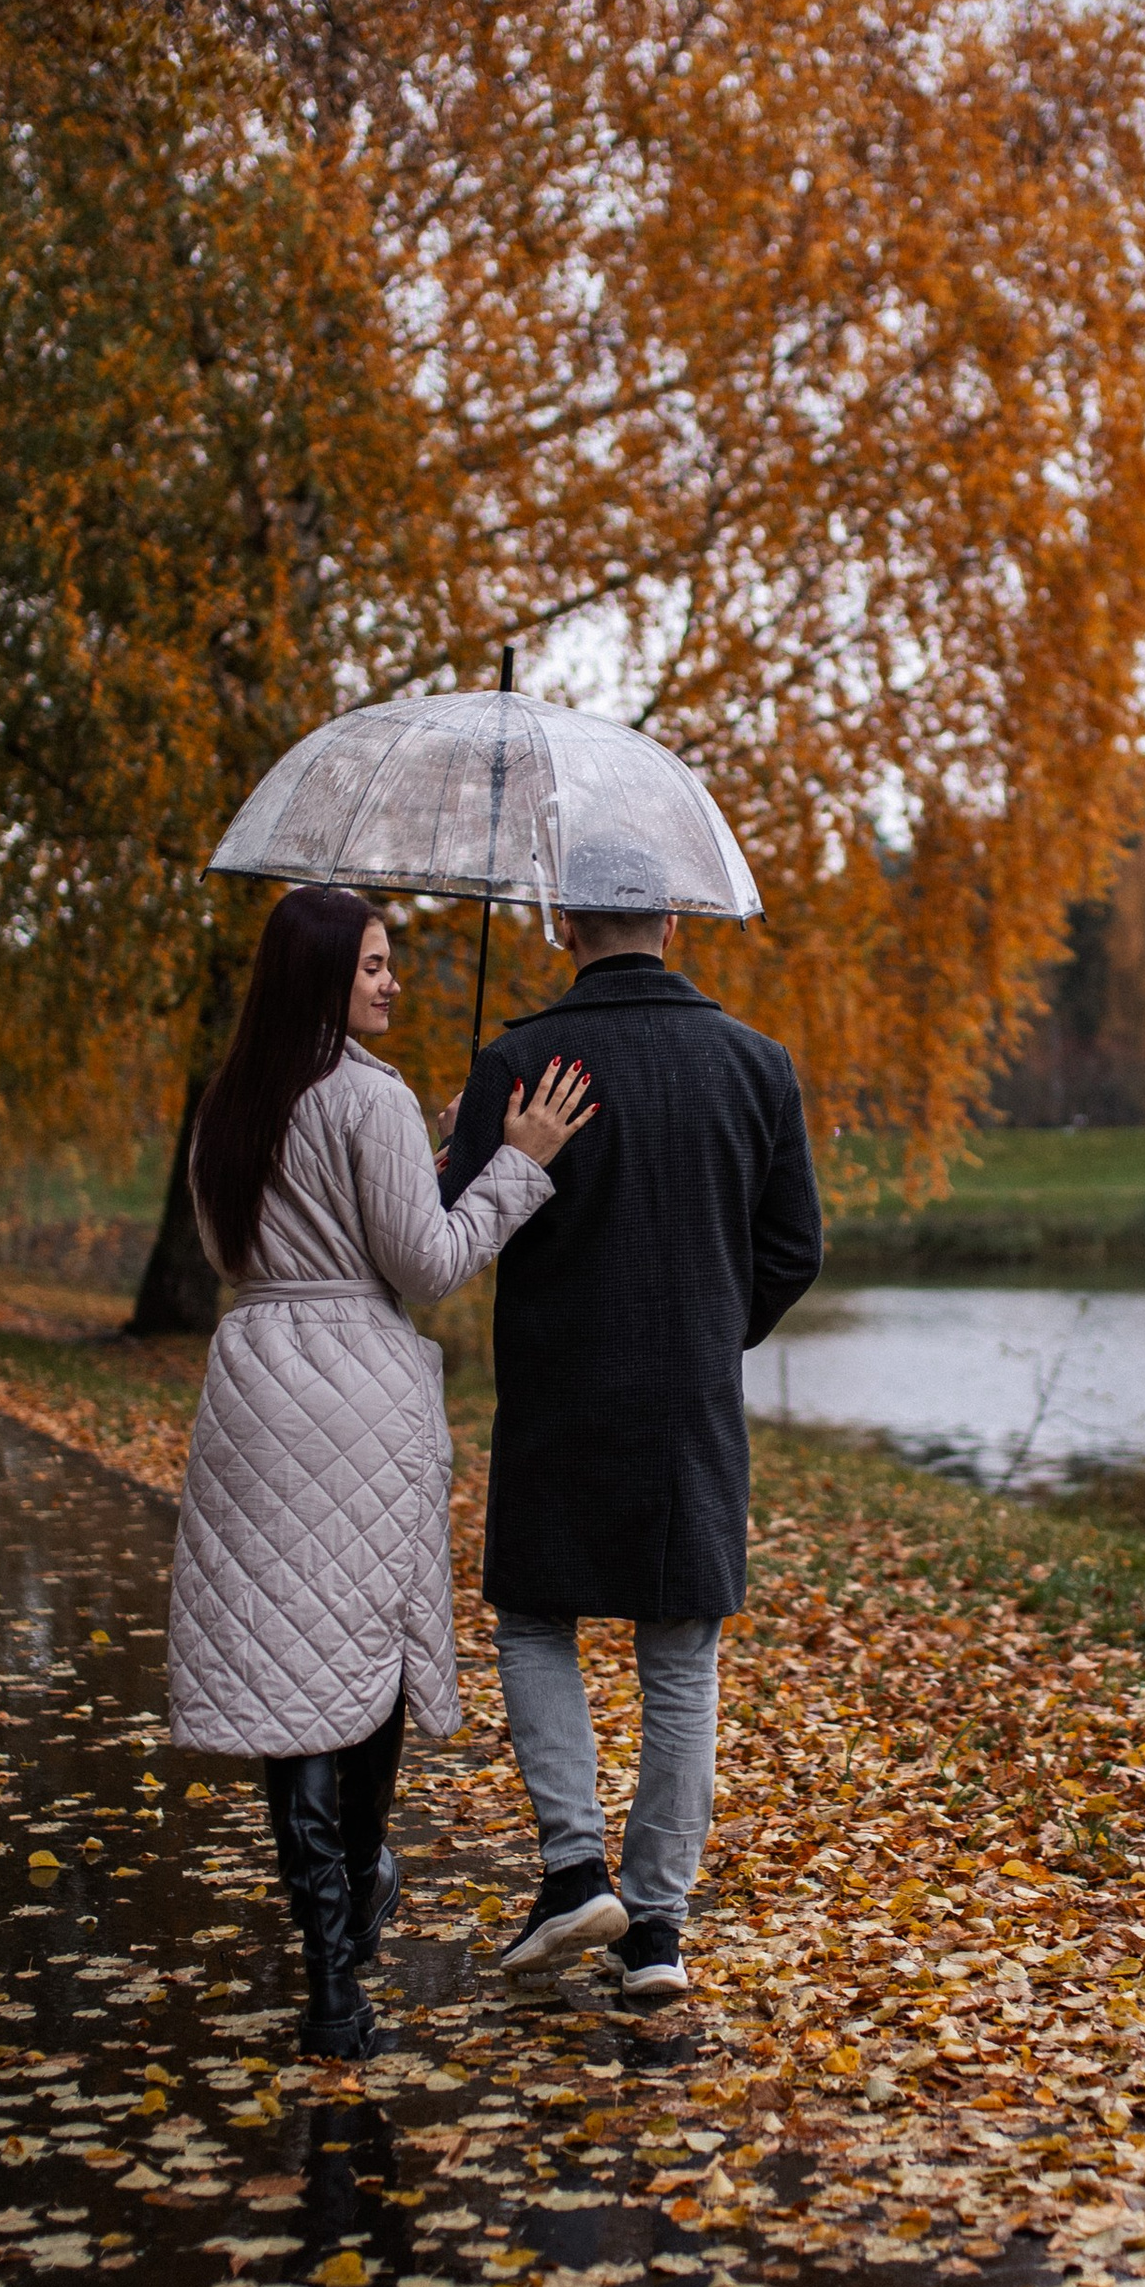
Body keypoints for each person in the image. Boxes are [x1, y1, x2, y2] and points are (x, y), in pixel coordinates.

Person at [167, 885, 595, 2057]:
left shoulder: (230, 1099)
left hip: (254, 1387)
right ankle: (356, 1900)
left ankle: (329, 1976)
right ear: (321, 979)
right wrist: (512, 1163)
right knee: (359, 1664)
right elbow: (426, 1262)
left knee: (287, 1679)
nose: (391, 982)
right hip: (354, 1397)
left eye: (389, 962)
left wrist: (433, 1152)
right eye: (370, 966)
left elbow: (233, 1247)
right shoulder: (369, 1095)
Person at [440, 854, 823, 2005]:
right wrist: (712, 1333)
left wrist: (470, 1133)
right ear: (671, 915)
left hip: (559, 1392)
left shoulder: (520, 1062)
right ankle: (655, 1929)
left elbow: (457, 1237)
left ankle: (572, 1869)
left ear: (562, 920)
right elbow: (791, 1251)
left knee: (533, 1621)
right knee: (678, 1656)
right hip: (688, 1405)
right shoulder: (757, 1066)